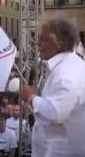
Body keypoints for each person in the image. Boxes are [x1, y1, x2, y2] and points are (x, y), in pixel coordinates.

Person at [21, 12, 85, 157]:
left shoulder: (66, 73)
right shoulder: (69, 65)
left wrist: (32, 97)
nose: (37, 43)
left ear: (59, 43)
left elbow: (56, 113)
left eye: (42, 39)